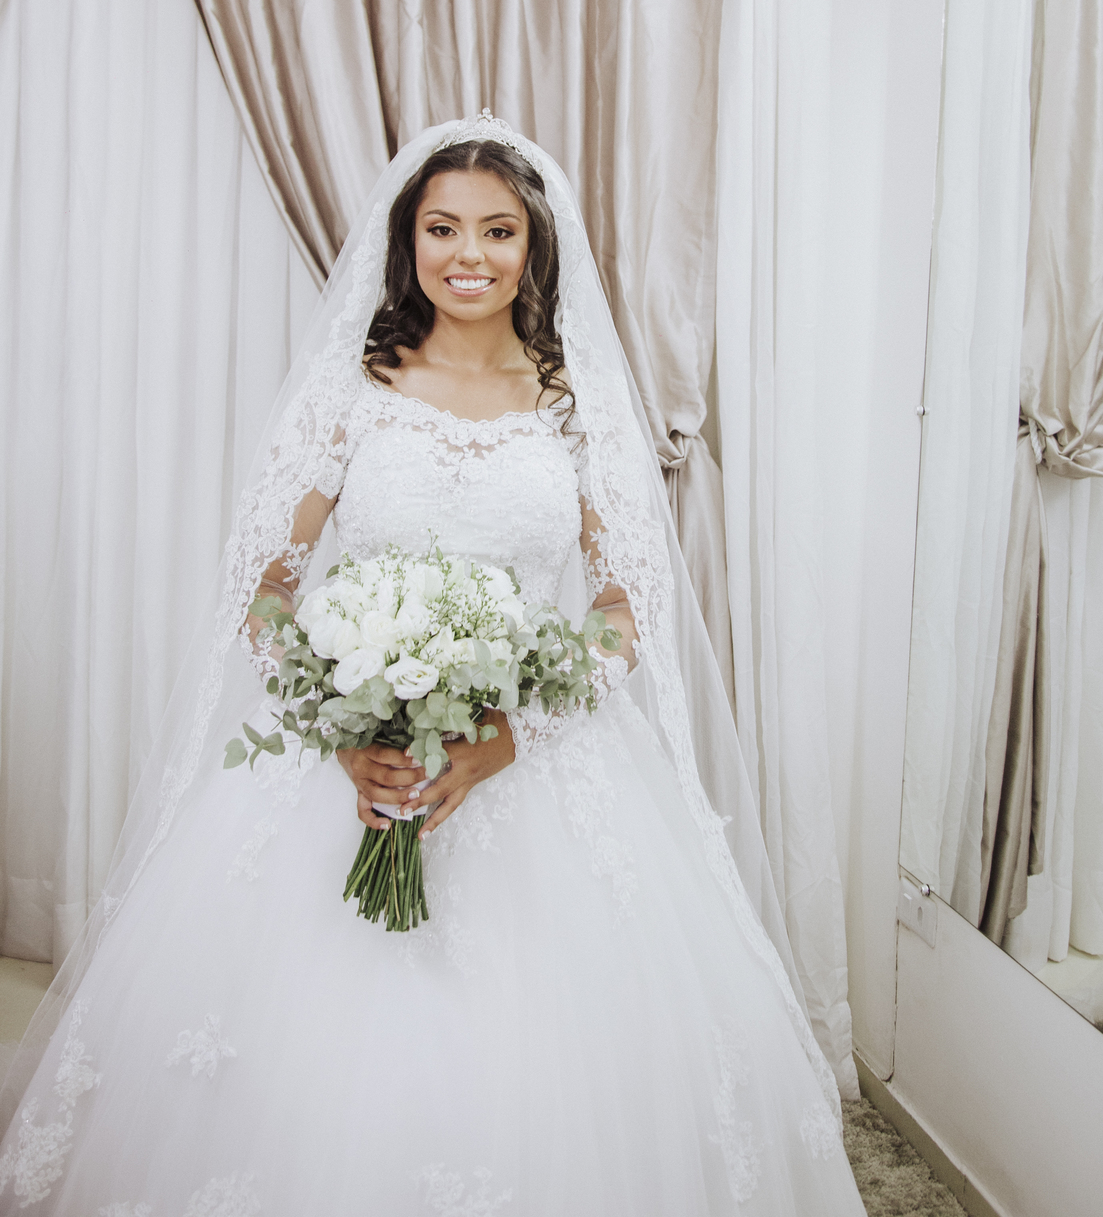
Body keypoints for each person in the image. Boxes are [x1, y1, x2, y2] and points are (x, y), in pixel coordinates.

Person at [0, 114, 867, 1216]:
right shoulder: (352, 391)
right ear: (406, 240)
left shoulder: (577, 404)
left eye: (498, 231)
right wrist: (340, 727)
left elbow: (622, 605)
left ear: (533, 247)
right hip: (353, 767)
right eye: (443, 227)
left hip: (535, 759)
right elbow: (267, 586)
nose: (470, 255)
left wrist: (510, 736)